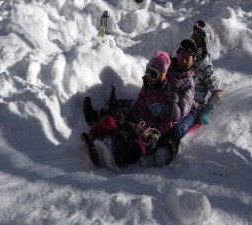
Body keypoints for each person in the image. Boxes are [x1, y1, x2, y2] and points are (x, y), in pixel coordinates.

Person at [81, 39, 197, 170]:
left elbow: (183, 110)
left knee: (128, 129)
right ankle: (94, 131)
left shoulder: (188, 84)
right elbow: (159, 64)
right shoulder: (168, 67)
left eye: (189, 58)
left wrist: (166, 108)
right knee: (118, 114)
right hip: (143, 106)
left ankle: (108, 149)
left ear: (193, 61)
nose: (184, 60)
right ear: (178, 53)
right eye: (182, 55)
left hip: (157, 120)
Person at [140, 19, 223, 167]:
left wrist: (207, 110)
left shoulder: (206, 67)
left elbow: (218, 91)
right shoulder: (184, 53)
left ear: (205, 45)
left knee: (179, 128)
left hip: (192, 107)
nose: (195, 41)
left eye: (200, 39)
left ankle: (166, 150)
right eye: (194, 36)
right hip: (171, 96)